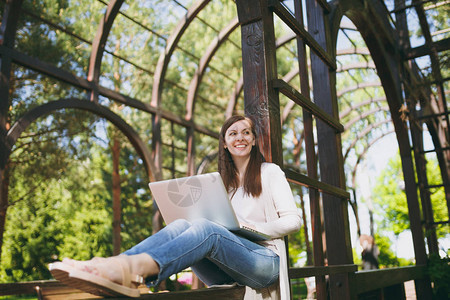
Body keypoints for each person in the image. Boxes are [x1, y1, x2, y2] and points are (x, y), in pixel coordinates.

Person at [49, 115, 301, 299]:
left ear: (254, 140)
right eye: (233, 133)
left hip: (264, 261)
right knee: (182, 223)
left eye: (246, 132)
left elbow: (293, 221)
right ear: (224, 143)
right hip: (227, 266)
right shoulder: (221, 183)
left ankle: (128, 270)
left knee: (207, 229)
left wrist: (253, 227)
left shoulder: (269, 172)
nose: (240, 138)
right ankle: (115, 266)